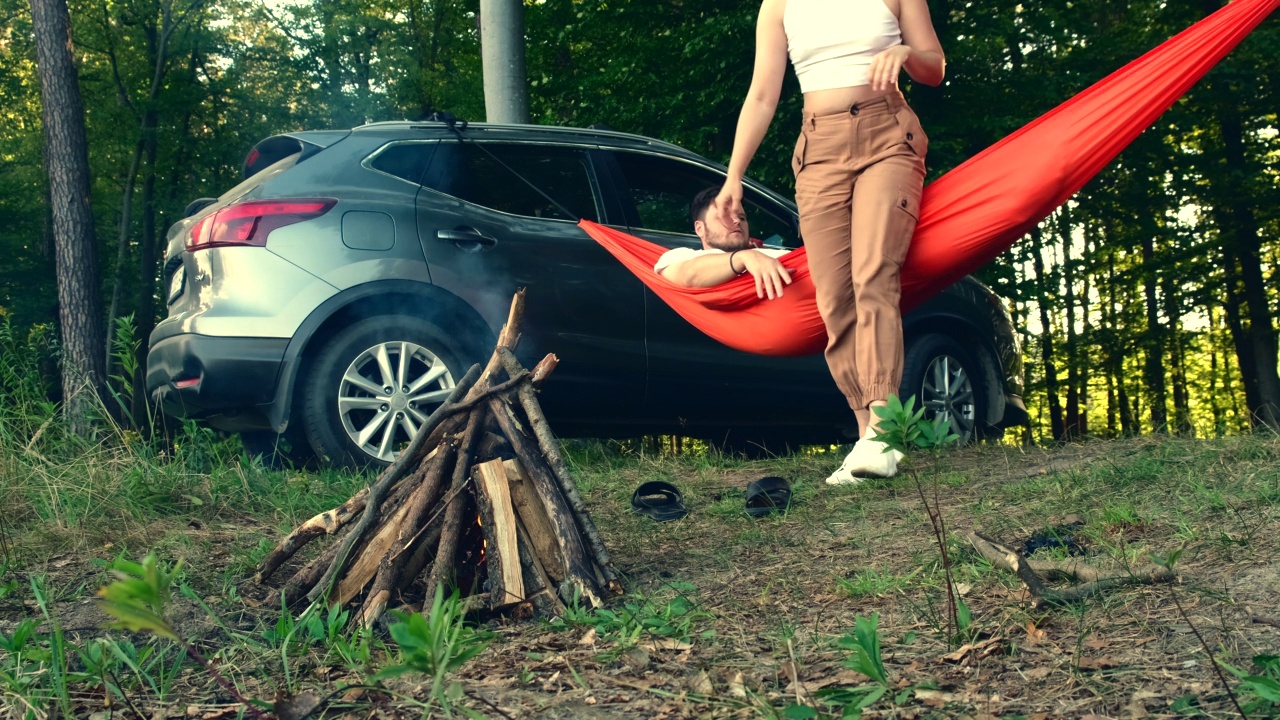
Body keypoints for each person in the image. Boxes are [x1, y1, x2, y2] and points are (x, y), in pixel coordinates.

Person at [713, 0, 944, 484]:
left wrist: (903, 51)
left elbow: (934, 67)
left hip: (888, 138)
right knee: (834, 297)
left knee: (873, 275)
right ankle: (865, 436)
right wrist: (734, 177)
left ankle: (884, 432)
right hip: (819, 149)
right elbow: (761, 96)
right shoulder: (777, 6)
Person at [655, 187, 794, 301]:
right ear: (700, 229)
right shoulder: (681, 256)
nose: (737, 221)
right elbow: (687, 275)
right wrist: (745, 258)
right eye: (724, 216)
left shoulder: (778, 254)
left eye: (742, 217)